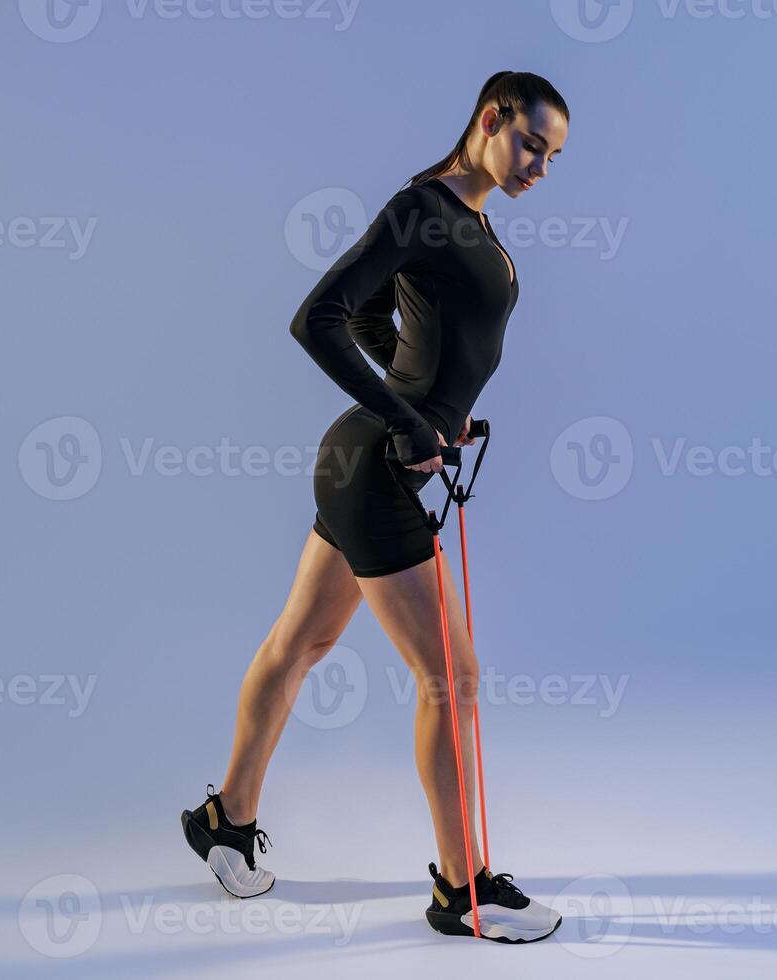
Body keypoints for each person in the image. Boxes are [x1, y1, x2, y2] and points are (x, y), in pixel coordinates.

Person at [180, 70, 570, 943]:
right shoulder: (425, 208)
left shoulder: (466, 218)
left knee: (302, 642)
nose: (540, 166)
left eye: (553, 155)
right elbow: (320, 315)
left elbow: (376, 323)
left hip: (374, 460)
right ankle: (462, 890)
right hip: (374, 471)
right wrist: (406, 416)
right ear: (489, 118)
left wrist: (431, 411)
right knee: (453, 679)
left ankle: (223, 822)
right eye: (531, 143)